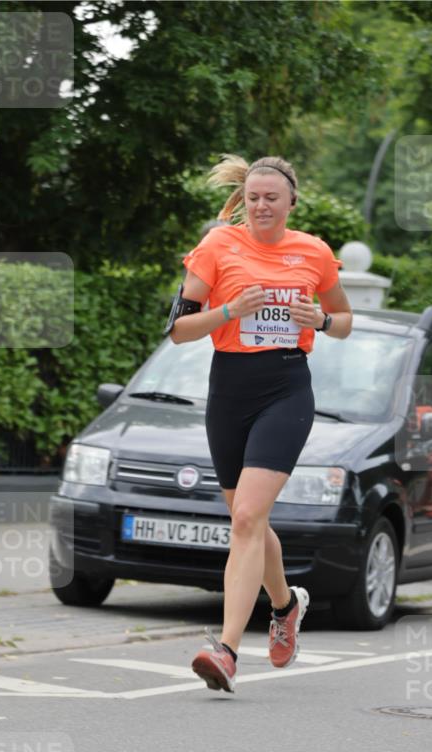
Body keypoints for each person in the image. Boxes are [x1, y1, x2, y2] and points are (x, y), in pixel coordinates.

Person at [167, 154, 353, 693]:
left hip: (287, 388)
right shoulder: (217, 246)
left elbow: (343, 322)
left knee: (246, 517)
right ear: (242, 201)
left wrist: (318, 319)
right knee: (250, 520)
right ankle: (286, 605)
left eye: (272, 197)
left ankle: (225, 651)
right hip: (229, 391)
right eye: (252, 197)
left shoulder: (313, 252)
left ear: (291, 202)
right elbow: (178, 331)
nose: (261, 205)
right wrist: (229, 311)